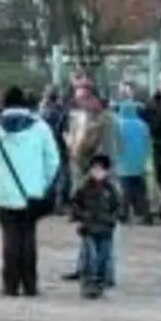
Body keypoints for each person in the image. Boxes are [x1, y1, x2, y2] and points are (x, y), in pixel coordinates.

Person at [0, 86, 61, 297]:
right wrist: (43, 182)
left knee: (10, 236)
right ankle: (30, 283)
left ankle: (10, 283)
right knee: (28, 236)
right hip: (32, 190)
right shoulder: (40, 127)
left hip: (4, 191)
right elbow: (53, 160)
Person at [63, 90, 123, 285]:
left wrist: (98, 171)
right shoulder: (86, 119)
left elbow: (108, 153)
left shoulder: (106, 121)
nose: (81, 103)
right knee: (89, 227)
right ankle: (86, 267)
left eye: (84, 99)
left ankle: (105, 272)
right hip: (88, 179)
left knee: (104, 230)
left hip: (101, 180)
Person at [69, 155, 122, 299]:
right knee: (89, 257)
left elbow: (118, 206)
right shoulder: (84, 187)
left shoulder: (110, 189)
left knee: (103, 257)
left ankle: (101, 281)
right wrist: (81, 215)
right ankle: (88, 282)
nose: (98, 172)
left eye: (101, 169)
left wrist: (112, 219)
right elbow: (75, 203)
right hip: (89, 228)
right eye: (95, 169)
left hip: (105, 228)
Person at [114, 84, 153, 224]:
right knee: (140, 190)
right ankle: (145, 213)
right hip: (139, 163)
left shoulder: (118, 124)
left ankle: (123, 213)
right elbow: (148, 143)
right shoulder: (142, 125)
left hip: (123, 163)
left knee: (125, 189)